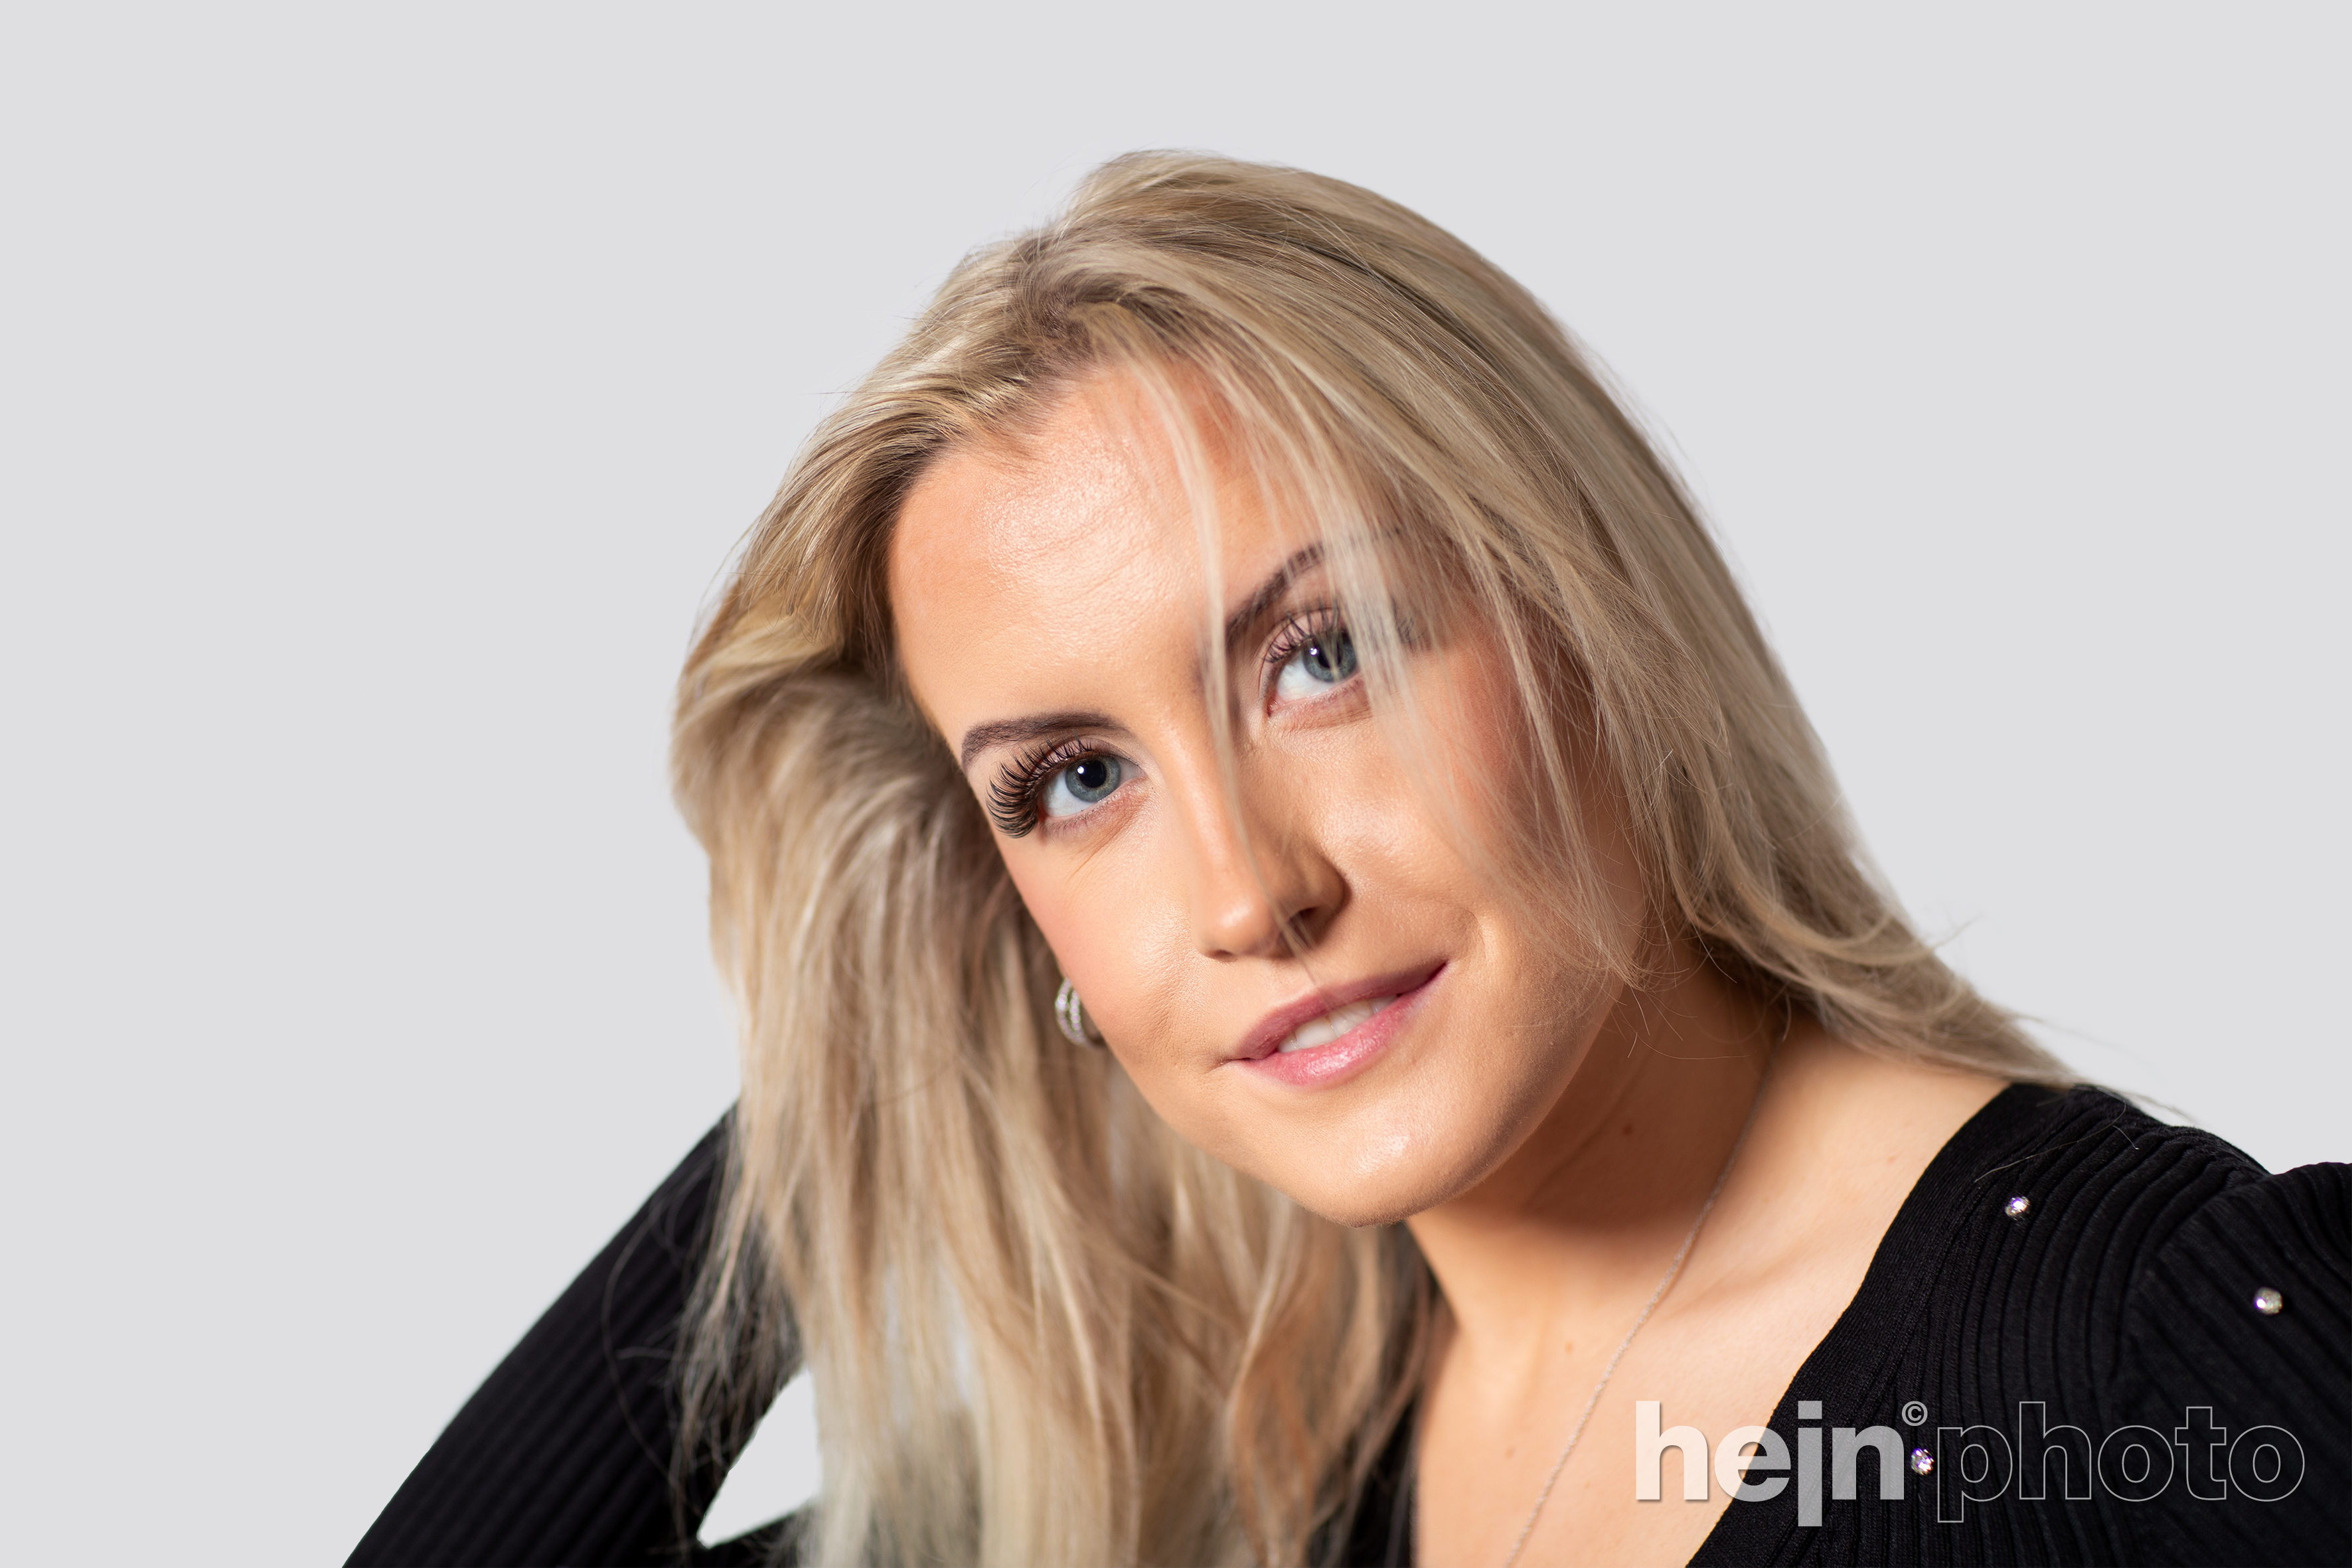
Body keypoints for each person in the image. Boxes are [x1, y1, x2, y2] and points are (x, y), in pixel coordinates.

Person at [350, 153, 2346, 1567]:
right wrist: (881, 1051)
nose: (1246, 894)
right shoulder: (1236, 1478)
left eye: (1325, 655)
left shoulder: (2176, 1364)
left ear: (1593, 609)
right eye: (1074, 782)